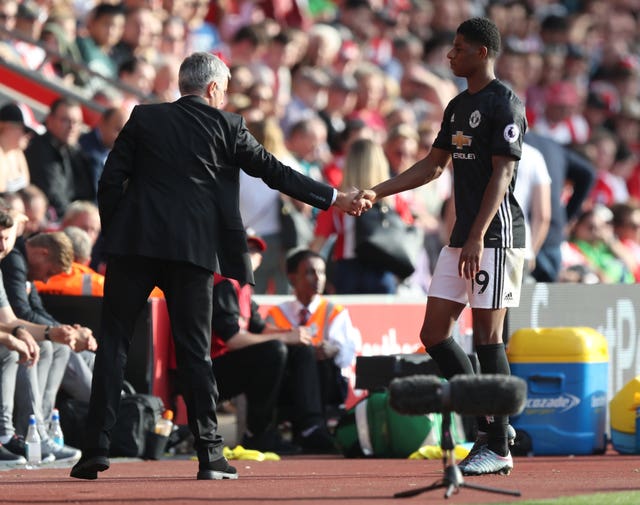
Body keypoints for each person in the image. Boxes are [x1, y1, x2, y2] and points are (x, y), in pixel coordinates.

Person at [70, 51, 368, 482]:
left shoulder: (144, 117)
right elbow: (275, 173)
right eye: (224, 89)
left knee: (114, 344)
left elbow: (110, 180)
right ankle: (210, 455)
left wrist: (120, 231)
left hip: (133, 247)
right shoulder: (228, 126)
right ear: (213, 88)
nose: (225, 98)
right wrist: (334, 197)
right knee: (195, 351)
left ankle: (95, 450)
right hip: (192, 253)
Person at [359, 18, 527, 476]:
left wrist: (476, 235)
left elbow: (503, 175)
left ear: (482, 53)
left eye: (458, 48)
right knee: (434, 333)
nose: (450, 55)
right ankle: (494, 422)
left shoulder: (504, 102)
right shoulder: (456, 106)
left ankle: (496, 444)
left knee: (488, 337)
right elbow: (433, 167)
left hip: (494, 236)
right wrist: (378, 191)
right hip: (463, 238)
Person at [204, 231, 310, 454]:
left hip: (228, 366)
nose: (251, 255)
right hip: (207, 373)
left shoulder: (243, 285)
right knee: (274, 351)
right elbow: (232, 339)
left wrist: (297, 335)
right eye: (246, 249)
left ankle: (307, 429)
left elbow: (259, 327)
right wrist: (285, 338)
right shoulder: (224, 283)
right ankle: (258, 434)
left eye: (255, 252)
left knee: (300, 351)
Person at [266, 249, 359, 439]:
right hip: (287, 382)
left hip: (325, 382)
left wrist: (334, 350)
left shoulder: (335, 311)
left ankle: (312, 426)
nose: (317, 278)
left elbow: (347, 356)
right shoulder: (276, 314)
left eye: (322, 272)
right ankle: (308, 427)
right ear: (292, 278)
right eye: (310, 272)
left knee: (323, 363)